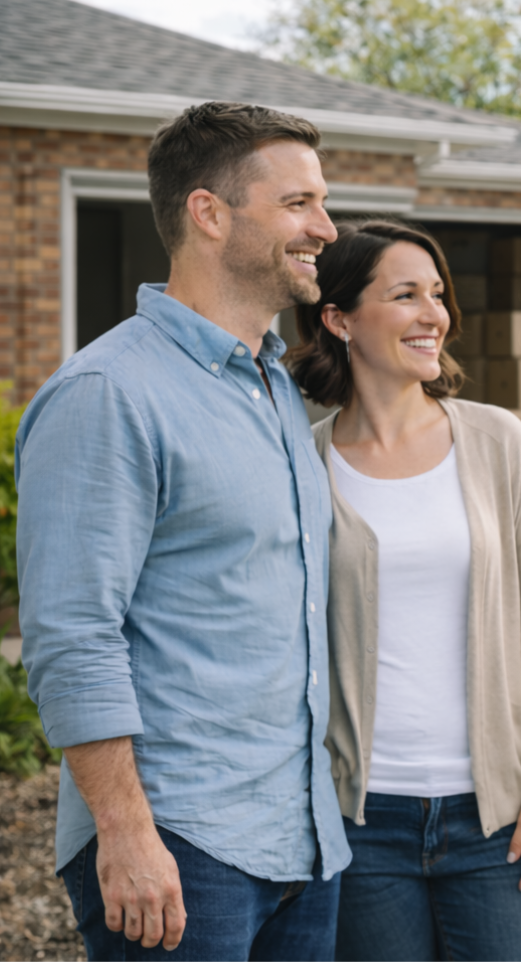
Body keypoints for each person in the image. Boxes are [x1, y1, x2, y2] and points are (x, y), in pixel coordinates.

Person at [16, 102, 348, 958]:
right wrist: (126, 834)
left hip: (300, 834)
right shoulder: (109, 392)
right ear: (210, 213)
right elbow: (71, 635)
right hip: (180, 844)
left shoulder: (275, 386)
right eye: (298, 204)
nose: (326, 227)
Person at [284, 219, 521, 961]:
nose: (433, 315)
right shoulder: (302, 463)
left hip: (496, 817)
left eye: (438, 295)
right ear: (339, 318)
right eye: (407, 294)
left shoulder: (495, 441)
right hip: (362, 823)